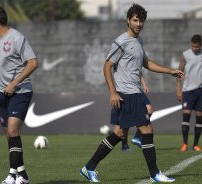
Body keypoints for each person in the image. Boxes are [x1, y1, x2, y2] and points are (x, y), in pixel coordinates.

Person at [79, 3, 184, 183]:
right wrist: (112, 92)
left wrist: (170, 71)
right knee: (147, 129)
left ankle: (88, 167)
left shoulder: (138, 41)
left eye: (141, 20)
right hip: (127, 94)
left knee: (119, 134)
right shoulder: (121, 41)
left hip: (131, 93)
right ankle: (155, 174)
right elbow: (107, 66)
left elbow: (146, 63)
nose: (138, 24)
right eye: (135, 20)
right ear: (128, 20)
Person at [0, 7, 38, 184]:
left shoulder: (17, 38)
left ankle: (16, 176)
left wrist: (13, 83)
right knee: (10, 136)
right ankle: (19, 174)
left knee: (12, 130)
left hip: (20, 92)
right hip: (1, 93)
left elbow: (33, 63)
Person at [176, 34, 202, 152]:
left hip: (201, 90)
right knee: (186, 116)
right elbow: (179, 72)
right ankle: (184, 144)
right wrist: (178, 89)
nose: (194, 49)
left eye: (196, 47)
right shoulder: (185, 55)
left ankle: (196, 145)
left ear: (201, 45)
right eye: (193, 46)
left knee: (199, 117)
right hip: (187, 90)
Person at [121, 75, 153, 151]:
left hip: (136, 89)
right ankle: (125, 144)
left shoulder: (136, 63)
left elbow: (139, 71)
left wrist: (144, 85)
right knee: (126, 116)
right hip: (125, 89)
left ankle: (137, 137)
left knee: (149, 109)